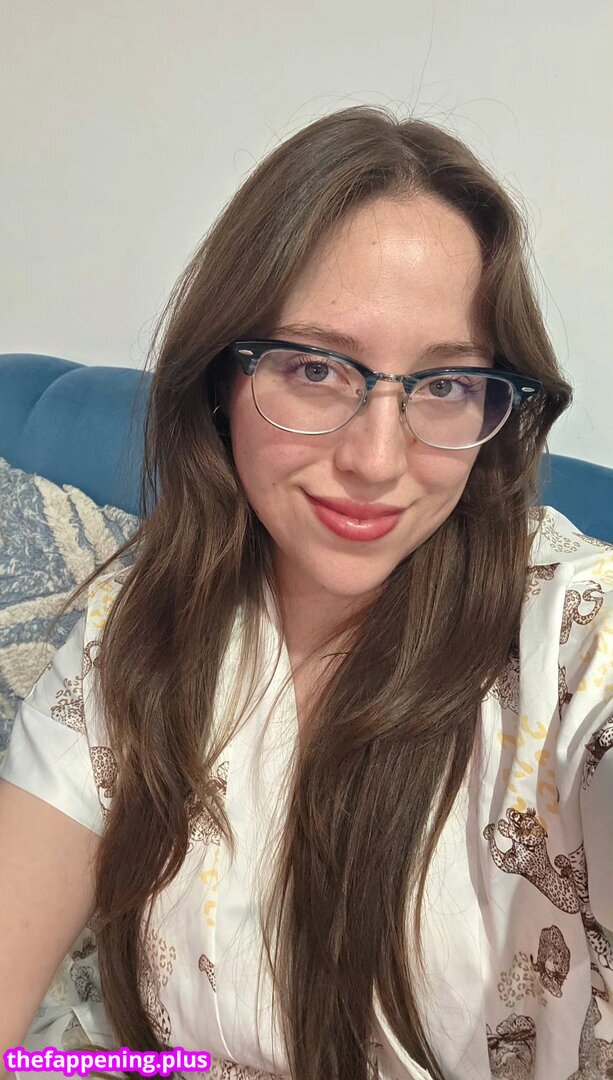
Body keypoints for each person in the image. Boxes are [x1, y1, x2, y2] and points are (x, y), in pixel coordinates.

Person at [0, 104, 611, 1080]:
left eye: (445, 383)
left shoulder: (571, 633)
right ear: (221, 378)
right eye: (316, 368)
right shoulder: (141, 622)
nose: (376, 460)